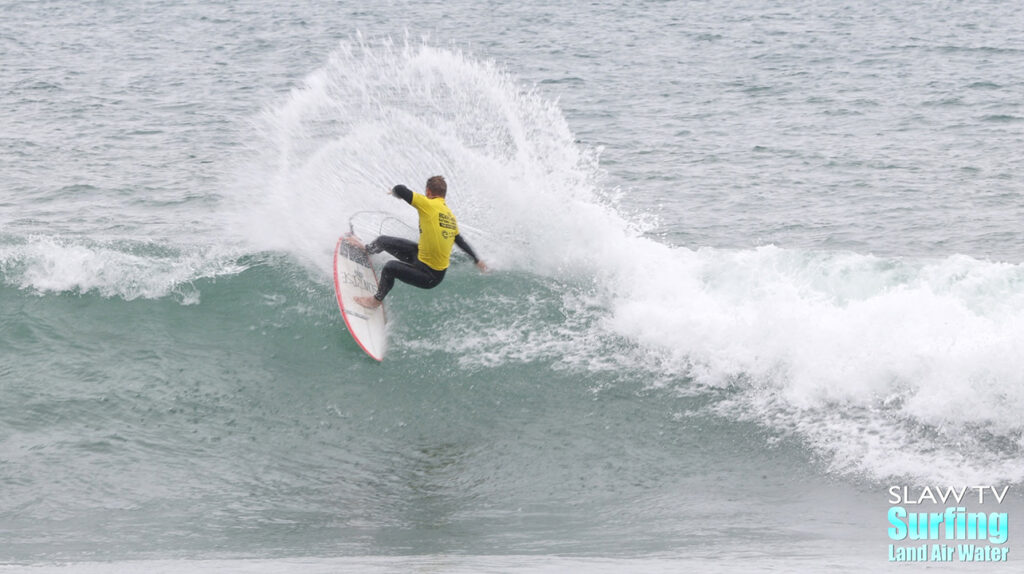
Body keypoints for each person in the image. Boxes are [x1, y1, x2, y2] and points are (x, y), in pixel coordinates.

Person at [348, 175, 487, 309]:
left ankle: (375, 301)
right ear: (444, 195)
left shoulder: (427, 203)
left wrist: (395, 193)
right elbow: (460, 241)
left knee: (390, 267)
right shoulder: (450, 216)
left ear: (428, 192)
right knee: (382, 241)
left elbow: (400, 189)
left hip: (430, 275)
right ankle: (366, 250)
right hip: (421, 256)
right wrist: (476, 259)